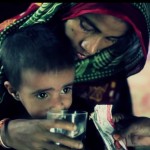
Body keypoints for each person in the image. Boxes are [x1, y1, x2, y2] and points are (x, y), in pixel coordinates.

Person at [0, 2, 149, 150]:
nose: (91, 48)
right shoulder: (13, 50)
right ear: (65, 9)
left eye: (111, 39)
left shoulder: (110, 70)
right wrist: (5, 134)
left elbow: (120, 134)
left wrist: (118, 130)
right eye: (86, 27)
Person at [0, 23, 84, 150]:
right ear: (13, 91)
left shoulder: (80, 113)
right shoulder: (5, 113)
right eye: (42, 95)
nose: (58, 105)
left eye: (65, 90)